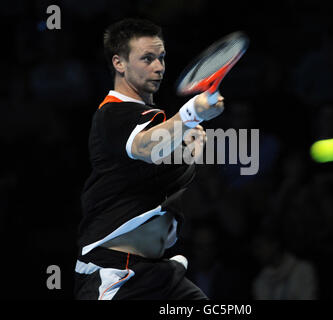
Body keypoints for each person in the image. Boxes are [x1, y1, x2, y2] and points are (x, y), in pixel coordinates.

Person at [73, 18, 224, 300]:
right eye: (147, 58)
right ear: (119, 63)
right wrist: (192, 114)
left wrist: (189, 146)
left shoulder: (157, 123)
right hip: (115, 275)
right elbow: (144, 146)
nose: (159, 67)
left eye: (162, 58)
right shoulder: (112, 115)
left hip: (161, 274)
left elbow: (162, 183)